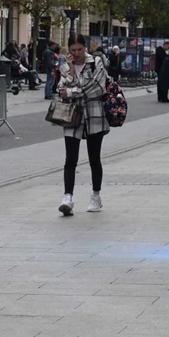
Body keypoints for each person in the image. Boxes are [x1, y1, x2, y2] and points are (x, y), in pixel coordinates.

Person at [57, 34, 110, 216]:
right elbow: (61, 90)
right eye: (73, 50)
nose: (77, 53)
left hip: (95, 115)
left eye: (80, 49)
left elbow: (97, 88)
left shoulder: (96, 62)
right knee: (70, 158)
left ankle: (96, 196)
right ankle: (67, 197)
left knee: (94, 158)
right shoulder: (65, 66)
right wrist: (71, 71)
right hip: (72, 116)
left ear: (85, 48)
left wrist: (72, 91)